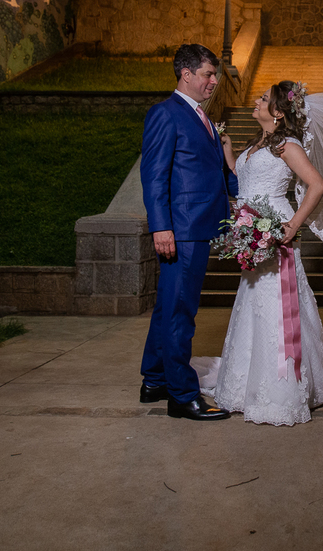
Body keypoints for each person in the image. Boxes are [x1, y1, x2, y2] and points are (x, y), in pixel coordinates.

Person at [194, 81, 323, 425]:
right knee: (254, 303)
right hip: (252, 230)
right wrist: (229, 152)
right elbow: (245, 179)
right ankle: (248, 382)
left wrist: (292, 225)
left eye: (263, 99)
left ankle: (283, 390)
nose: (256, 101)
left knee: (279, 306)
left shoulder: (287, 145)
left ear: (277, 112)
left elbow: (317, 185)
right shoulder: (258, 143)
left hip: (274, 231)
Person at [139, 43, 238, 421]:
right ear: (186, 74)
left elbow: (211, 171)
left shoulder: (203, 118)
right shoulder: (166, 114)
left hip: (198, 225)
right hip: (181, 229)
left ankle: (154, 380)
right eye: (208, 74)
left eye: (215, 75)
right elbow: (154, 176)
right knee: (180, 311)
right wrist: (161, 226)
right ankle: (182, 396)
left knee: (169, 305)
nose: (214, 81)